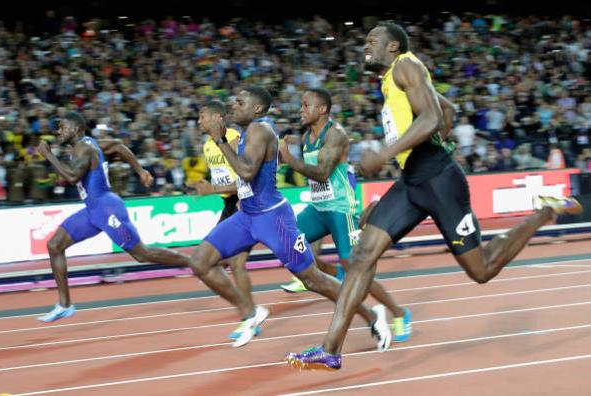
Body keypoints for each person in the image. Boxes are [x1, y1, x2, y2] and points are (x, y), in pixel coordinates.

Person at [286, 22, 583, 370]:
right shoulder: (390, 80)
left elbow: (432, 116)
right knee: (362, 257)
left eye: (372, 41)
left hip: (441, 181)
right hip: (413, 180)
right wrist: (436, 142)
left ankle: (543, 212)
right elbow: (448, 111)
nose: (365, 46)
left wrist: (385, 153)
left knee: (481, 269)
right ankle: (330, 348)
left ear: (393, 46)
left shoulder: (407, 66)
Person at [189, 86, 391, 349]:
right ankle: (251, 313)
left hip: (273, 219)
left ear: (257, 108)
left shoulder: (260, 130)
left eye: (240, 101)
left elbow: (247, 172)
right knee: (200, 262)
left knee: (313, 279)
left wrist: (220, 140)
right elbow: (244, 179)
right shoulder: (246, 133)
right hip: (247, 216)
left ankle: (372, 315)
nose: (234, 105)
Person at [278, 88, 411, 342]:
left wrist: (289, 160)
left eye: (306, 106)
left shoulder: (336, 136)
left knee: (356, 270)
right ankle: (335, 275)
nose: (301, 110)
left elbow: (322, 173)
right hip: (318, 208)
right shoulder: (307, 136)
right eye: (301, 105)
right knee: (290, 245)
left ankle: (399, 312)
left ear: (322, 110)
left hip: (340, 209)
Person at [36, 112, 191, 322]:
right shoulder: (89, 143)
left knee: (142, 254)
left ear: (74, 129)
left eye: (62, 127)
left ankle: (194, 261)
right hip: (92, 212)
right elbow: (117, 146)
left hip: (107, 209)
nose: (58, 131)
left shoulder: (84, 148)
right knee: (55, 245)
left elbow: (72, 177)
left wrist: (48, 155)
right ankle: (65, 305)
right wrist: (140, 170)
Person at [192, 100, 260, 340]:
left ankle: (249, 317)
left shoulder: (233, 138)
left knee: (236, 263)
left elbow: (246, 179)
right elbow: (222, 180)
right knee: (215, 261)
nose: (198, 121)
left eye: (202, 116)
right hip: (229, 205)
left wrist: (211, 189)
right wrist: (209, 188)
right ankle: (250, 314)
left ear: (218, 118)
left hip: (247, 203)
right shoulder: (208, 146)